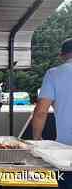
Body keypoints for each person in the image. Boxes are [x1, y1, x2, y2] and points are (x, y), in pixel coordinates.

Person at [32, 38, 72, 189]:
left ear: (62, 55)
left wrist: (37, 138)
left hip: (66, 152)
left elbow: (41, 111)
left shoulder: (54, 74)